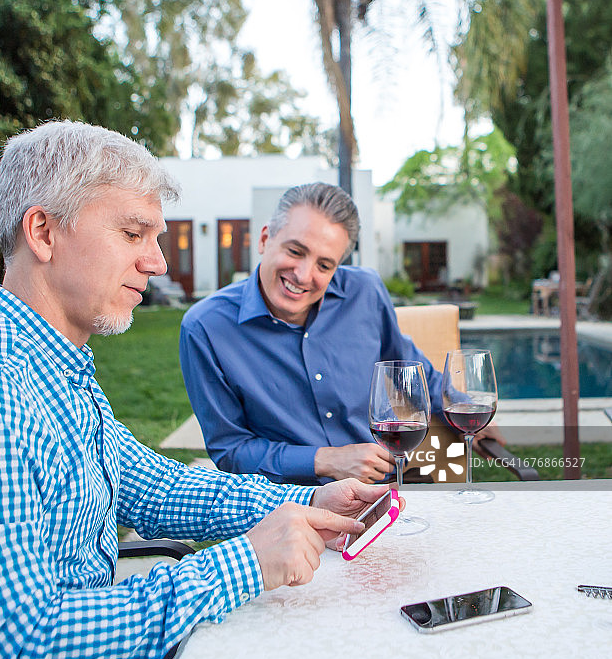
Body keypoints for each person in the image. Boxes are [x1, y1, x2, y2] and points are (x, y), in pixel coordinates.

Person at [0, 123, 393, 659]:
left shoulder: (53, 369)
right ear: (42, 231)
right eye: (134, 235)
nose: (157, 263)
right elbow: (17, 647)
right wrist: (245, 564)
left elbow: (156, 486)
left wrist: (304, 504)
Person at [179, 181, 501, 486]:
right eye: (294, 251)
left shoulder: (366, 291)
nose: (303, 275)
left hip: (384, 492)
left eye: (324, 265)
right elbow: (231, 450)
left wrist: (464, 411)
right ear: (265, 239)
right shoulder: (206, 328)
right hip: (288, 509)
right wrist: (327, 460)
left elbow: (409, 372)